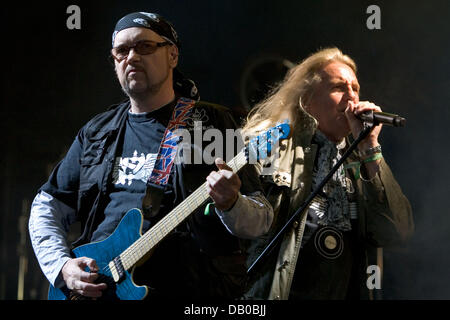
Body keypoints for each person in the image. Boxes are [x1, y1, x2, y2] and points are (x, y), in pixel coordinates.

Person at [28, 12, 273, 300]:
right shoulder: (96, 131)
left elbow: (262, 220)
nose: (131, 57)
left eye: (144, 47)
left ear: (172, 55)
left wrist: (232, 203)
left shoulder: (211, 123)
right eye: (121, 51)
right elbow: (47, 205)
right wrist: (62, 267)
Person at [241, 47, 414, 300]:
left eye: (355, 88)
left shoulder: (363, 161)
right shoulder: (276, 148)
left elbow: (398, 232)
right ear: (307, 100)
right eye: (339, 87)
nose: (352, 98)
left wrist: (369, 149)